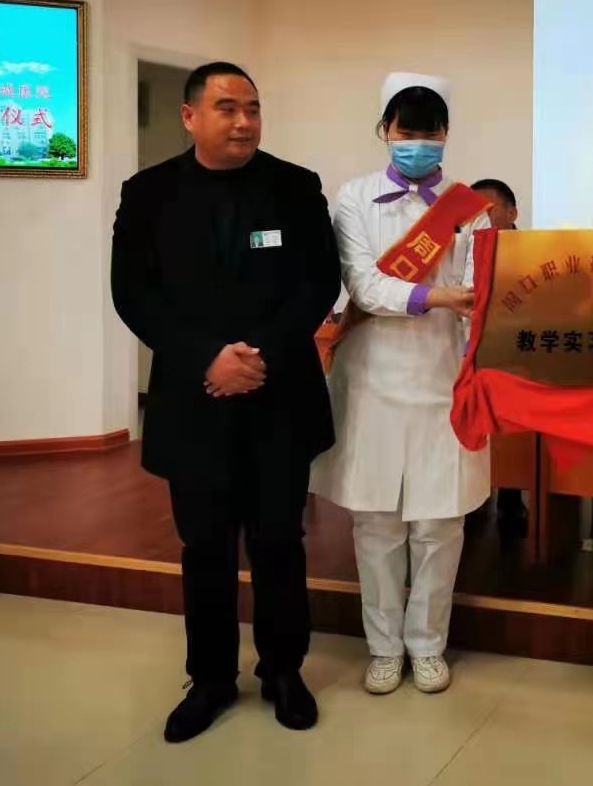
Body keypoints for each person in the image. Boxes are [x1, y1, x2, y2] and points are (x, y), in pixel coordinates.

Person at [111, 62, 340, 743]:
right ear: (190, 117)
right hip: (194, 397)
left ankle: (283, 671)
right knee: (205, 544)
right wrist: (207, 357)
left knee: (278, 539)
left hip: (279, 393)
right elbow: (134, 292)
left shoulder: (295, 187)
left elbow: (318, 283)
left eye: (253, 108)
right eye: (227, 108)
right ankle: (210, 677)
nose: (244, 122)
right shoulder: (149, 193)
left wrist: (256, 356)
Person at [310, 73, 492, 698]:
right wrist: (438, 296)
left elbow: (486, 288)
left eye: (429, 132)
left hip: (445, 377)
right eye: (406, 130)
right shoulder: (355, 197)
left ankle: (428, 646)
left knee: (440, 525)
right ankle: (384, 648)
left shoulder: (471, 209)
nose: (418, 143)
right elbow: (363, 285)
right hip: (373, 379)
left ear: (447, 134)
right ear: (385, 131)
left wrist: (471, 316)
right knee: (378, 524)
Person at [471, 177, 528, 534]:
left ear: (512, 214)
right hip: (471, 356)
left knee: (512, 433)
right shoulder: (459, 248)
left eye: (487, 210)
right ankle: (474, 496)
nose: (479, 218)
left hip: (517, 358)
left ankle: (511, 495)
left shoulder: (535, 253)